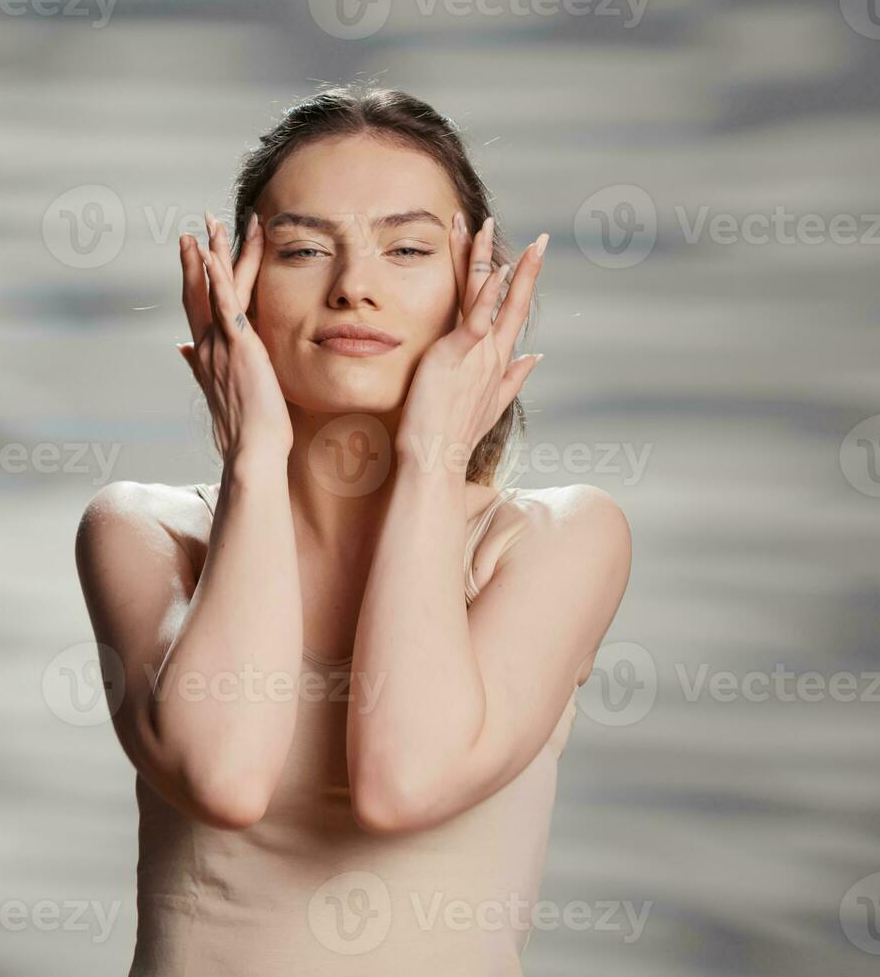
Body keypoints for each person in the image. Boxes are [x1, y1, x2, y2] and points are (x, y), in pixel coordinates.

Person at [74, 85, 632, 976]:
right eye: (301, 250)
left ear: (473, 294)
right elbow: (223, 776)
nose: (354, 289)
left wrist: (429, 462)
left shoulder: (558, 539)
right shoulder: (146, 531)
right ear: (239, 295)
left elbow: (402, 780)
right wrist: (254, 457)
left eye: (408, 248)